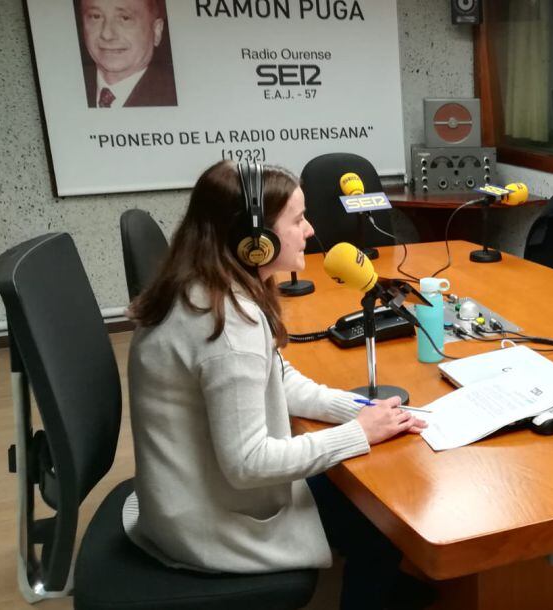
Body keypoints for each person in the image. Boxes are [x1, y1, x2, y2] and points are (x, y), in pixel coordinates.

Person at [124, 160, 427, 609]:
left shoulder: (208, 284)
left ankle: (381, 580)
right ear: (255, 241)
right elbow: (247, 463)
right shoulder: (228, 327)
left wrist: (362, 412)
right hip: (207, 523)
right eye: (297, 220)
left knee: (362, 486)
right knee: (379, 520)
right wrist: (359, 433)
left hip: (185, 491)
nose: (309, 230)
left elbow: (279, 380)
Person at [79, 0, 177, 108]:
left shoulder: (174, 96)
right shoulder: (66, 87)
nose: (106, 34)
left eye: (125, 18)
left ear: (157, 31)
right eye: (95, 16)